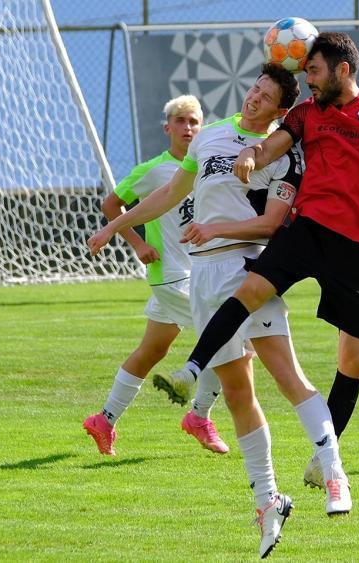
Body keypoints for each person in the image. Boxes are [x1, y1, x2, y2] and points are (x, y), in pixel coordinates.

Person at [162, 31, 359, 490]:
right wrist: (253, 154)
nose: (309, 79)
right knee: (251, 289)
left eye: (314, 71)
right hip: (309, 228)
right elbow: (274, 145)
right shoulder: (305, 113)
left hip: (358, 246)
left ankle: (326, 456)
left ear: (343, 70)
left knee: (354, 358)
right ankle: (191, 370)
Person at [88, 64, 352, 559]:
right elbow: (169, 195)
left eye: (266, 95)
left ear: (280, 110)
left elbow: (273, 225)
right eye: (254, 88)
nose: (254, 98)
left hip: (247, 271)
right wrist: (114, 227)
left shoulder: (282, 153)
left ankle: (335, 472)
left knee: (287, 375)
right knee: (236, 394)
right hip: (202, 280)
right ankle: (267, 500)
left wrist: (219, 230)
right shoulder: (210, 137)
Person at [82, 96, 230, 457]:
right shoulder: (155, 171)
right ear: (168, 128)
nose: (188, 128)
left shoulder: (207, 166)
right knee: (229, 341)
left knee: (152, 350)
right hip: (173, 277)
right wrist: (136, 243)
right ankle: (199, 417)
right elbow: (110, 204)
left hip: (200, 273)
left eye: (194, 121)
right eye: (180, 121)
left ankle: (104, 420)